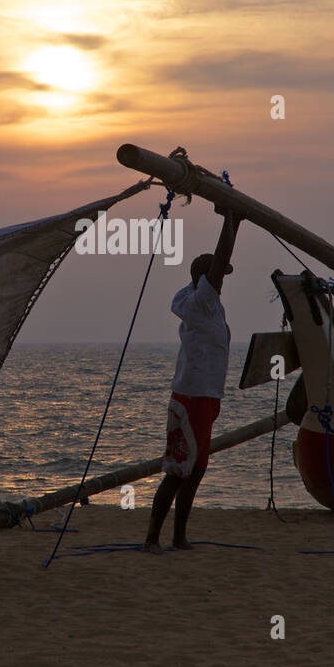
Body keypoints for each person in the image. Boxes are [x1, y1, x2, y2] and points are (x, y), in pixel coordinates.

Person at [143, 206, 241, 554]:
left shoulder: (211, 306)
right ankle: (152, 538)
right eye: (219, 276)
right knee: (178, 470)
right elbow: (219, 260)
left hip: (207, 397)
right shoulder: (201, 301)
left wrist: (236, 221)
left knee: (196, 470)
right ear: (206, 278)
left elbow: (220, 262)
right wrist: (231, 219)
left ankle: (178, 537)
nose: (223, 280)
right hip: (190, 399)